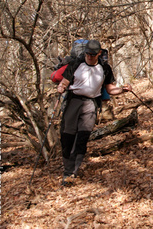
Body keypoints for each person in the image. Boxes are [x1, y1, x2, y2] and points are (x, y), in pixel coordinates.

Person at [57, 40, 132, 184]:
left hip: (91, 104)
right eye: (87, 54)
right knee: (67, 136)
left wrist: (123, 89)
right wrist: (60, 88)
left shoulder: (105, 68)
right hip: (73, 101)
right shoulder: (76, 64)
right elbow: (65, 82)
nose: (89, 57)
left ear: (99, 53)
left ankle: (72, 172)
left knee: (83, 137)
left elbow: (110, 89)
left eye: (93, 54)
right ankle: (67, 169)